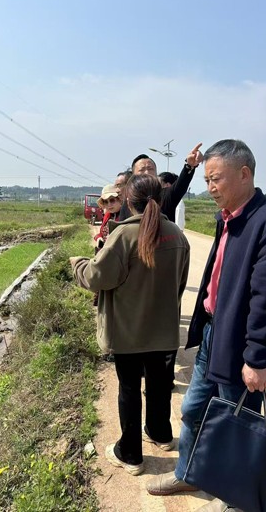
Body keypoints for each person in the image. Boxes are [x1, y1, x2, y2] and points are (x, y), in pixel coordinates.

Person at [147, 139, 266, 511]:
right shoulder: (228, 217)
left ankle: (237, 498)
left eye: (216, 179)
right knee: (194, 410)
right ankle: (189, 473)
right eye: (207, 181)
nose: (211, 188)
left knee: (237, 424)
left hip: (241, 345)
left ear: (244, 174)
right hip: (214, 334)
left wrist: (257, 358)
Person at [70, 174, 190, 476]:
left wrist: (78, 264)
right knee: (159, 386)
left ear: (128, 201)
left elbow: (97, 277)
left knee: (129, 388)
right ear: (160, 199)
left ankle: (131, 454)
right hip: (163, 331)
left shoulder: (124, 235)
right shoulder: (177, 236)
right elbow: (180, 283)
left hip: (127, 331)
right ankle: (161, 434)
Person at [118, 143, 203, 222]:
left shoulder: (165, 196)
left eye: (150, 169)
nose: (147, 172)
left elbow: (180, 185)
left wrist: (189, 166)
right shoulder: (128, 202)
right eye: (142, 170)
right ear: (133, 175)